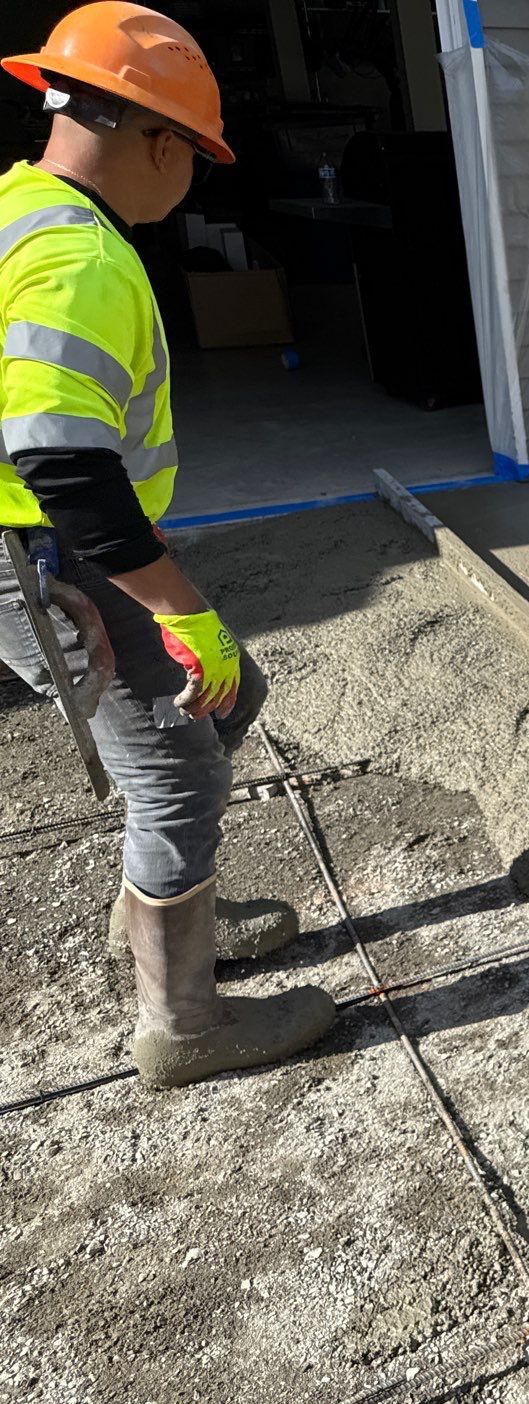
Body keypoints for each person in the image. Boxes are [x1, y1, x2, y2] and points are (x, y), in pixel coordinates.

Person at [0, 3, 332, 1087]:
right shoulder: (84, 258)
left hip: (45, 549)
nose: (192, 180)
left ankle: (156, 899)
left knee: (230, 704)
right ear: (158, 142)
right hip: (43, 559)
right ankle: (183, 1026)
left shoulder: (19, 208)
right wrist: (179, 607)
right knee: (181, 765)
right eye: (195, 155)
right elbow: (61, 459)